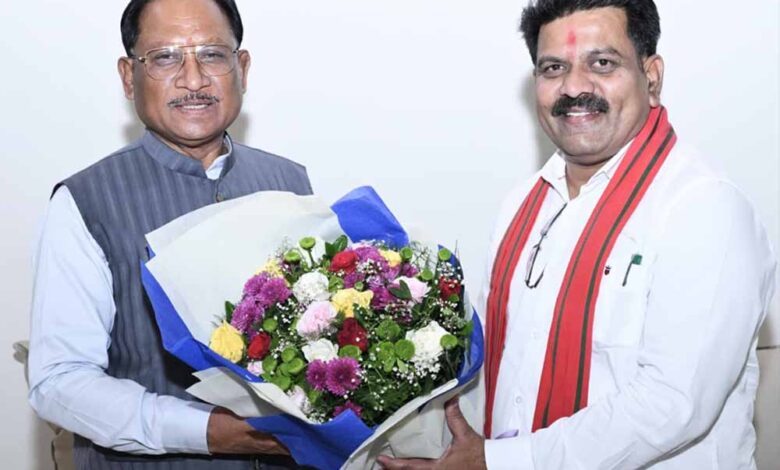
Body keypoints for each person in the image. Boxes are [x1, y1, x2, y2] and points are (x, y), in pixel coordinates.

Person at [377, 0, 776, 469]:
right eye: (554, 68)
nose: (573, 87)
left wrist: (498, 462)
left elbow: (671, 403)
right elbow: (497, 374)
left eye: (602, 63)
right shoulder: (522, 205)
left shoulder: (703, 207)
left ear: (651, 78)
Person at [27, 0, 311, 468]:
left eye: (213, 55)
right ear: (128, 77)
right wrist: (205, 431)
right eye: (165, 57)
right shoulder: (86, 201)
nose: (193, 80)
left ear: (242, 68)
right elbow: (59, 382)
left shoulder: (290, 183)